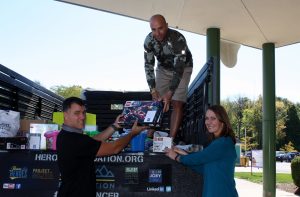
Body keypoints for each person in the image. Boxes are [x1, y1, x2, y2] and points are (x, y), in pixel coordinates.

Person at [56, 97, 148, 197]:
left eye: (84, 112)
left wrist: (114, 126)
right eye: (77, 113)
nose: (82, 117)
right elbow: (115, 148)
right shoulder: (75, 140)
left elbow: (92, 141)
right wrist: (132, 134)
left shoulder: (66, 134)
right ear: (65, 115)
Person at [165, 105, 238, 197]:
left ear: (222, 121)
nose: (208, 122)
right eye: (207, 118)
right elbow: (203, 168)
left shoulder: (223, 143)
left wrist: (177, 157)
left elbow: (200, 158)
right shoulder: (218, 143)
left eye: (213, 118)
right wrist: (183, 153)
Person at [144, 14, 193, 139]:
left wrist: (170, 93)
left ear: (166, 26)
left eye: (160, 28)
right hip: (163, 69)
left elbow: (179, 68)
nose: (158, 33)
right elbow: (148, 65)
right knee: (157, 101)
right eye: (153, 30)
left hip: (182, 68)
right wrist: (153, 90)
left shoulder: (178, 39)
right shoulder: (148, 41)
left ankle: (170, 141)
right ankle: (148, 137)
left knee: (177, 102)